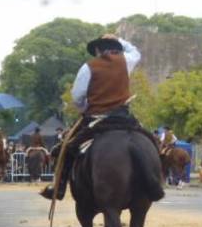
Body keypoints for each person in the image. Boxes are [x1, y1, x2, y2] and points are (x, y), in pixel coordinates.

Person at [41, 34, 141, 200]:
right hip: (124, 117)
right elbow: (136, 52)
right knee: (150, 140)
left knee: (67, 148)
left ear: (97, 50)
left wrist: (85, 108)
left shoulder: (88, 67)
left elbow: (77, 97)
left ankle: (58, 188)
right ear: (117, 48)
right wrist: (119, 39)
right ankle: (156, 180)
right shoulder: (127, 60)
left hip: (97, 119)